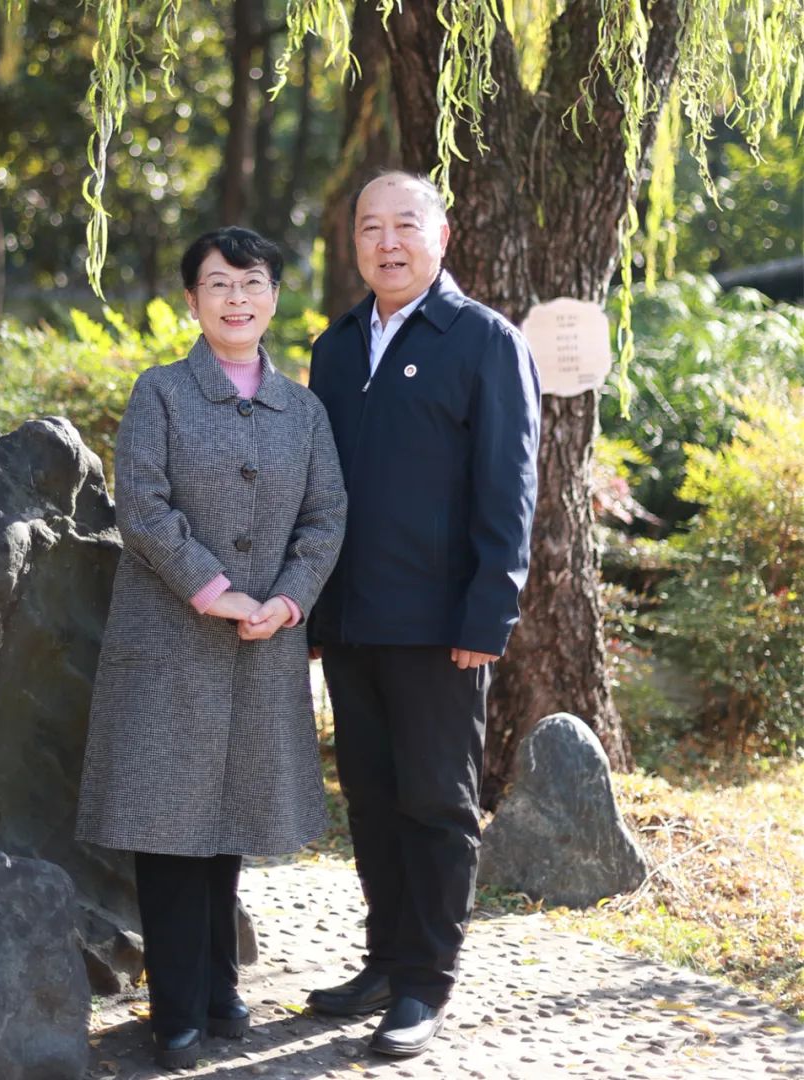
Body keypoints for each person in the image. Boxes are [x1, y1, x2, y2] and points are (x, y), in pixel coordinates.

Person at [75, 226, 347, 1071]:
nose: (237, 298)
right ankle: (177, 1010)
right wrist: (211, 588)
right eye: (219, 283)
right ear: (192, 299)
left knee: (230, 819)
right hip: (169, 642)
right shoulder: (160, 393)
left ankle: (220, 985)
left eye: (252, 282)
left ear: (274, 298)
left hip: (262, 643)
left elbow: (326, 517)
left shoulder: (304, 410)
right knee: (167, 827)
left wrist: (290, 599)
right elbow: (142, 505)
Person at [305, 171, 541, 1058]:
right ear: (355, 242)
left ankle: (425, 983)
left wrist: (488, 616)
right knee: (369, 800)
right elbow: (319, 491)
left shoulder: (484, 341)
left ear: (442, 237)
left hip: (443, 628)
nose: (388, 242)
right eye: (371, 227)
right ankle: (384, 959)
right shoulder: (336, 347)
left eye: (406, 224)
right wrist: (314, 608)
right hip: (351, 618)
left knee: (437, 803)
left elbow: (509, 490)